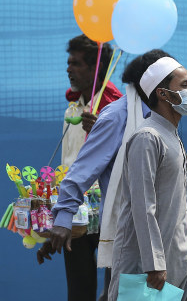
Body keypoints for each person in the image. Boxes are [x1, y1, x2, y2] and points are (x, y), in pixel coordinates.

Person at [44, 50, 172, 300]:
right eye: (180, 82)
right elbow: (80, 171)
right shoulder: (116, 116)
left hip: (162, 234)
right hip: (126, 232)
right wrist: (62, 218)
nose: (186, 90)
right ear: (155, 84)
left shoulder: (162, 120)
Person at [108, 57, 187, 301]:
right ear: (163, 94)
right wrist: (153, 262)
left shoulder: (171, 136)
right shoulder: (147, 137)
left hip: (179, 260)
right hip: (145, 268)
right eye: (185, 85)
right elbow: (142, 205)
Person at [37, 35, 122, 301]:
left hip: (112, 213)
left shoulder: (118, 110)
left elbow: (128, 163)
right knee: (78, 292)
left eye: (76, 63)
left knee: (115, 292)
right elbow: (68, 166)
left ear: (95, 67)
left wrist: (103, 131)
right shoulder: (71, 110)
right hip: (76, 215)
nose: (68, 69)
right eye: (68, 62)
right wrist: (57, 219)